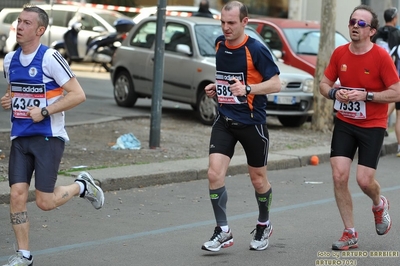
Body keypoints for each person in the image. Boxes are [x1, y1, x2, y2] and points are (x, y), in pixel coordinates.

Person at [0, 4, 105, 266]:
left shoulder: (50, 58)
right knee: (17, 195)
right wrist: (9, 99)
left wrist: (45, 111)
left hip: (48, 137)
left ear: (40, 30)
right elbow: (14, 93)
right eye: (18, 22)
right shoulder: (10, 59)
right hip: (20, 137)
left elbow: (78, 94)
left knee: (44, 202)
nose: (19, 27)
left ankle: (83, 186)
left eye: (26, 23)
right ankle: (24, 255)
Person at [201, 1, 281, 252]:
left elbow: (277, 83)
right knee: (214, 174)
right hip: (224, 120)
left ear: (245, 22)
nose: (225, 28)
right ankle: (223, 231)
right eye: (223, 22)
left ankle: (264, 223)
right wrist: (217, 89)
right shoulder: (219, 44)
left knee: (258, 181)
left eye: (231, 23)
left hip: (252, 124)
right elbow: (227, 80)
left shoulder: (256, 49)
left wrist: (249, 89)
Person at [320, 5, 400, 251]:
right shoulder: (340, 53)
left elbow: (396, 91)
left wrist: (366, 96)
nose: (355, 25)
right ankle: (350, 232)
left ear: (372, 31)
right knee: (338, 175)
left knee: (364, 181)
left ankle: (379, 203)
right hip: (345, 122)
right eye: (353, 21)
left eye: (361, 23)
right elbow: (324, 84)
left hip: (372, 124)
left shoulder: (380, 57)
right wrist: (335, 92)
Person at [371, 7, 400, 154]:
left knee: (385, 102)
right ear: (394, 18)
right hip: (393, 74)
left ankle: (378, 127)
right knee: (395, 106)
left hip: (376, 73)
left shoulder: (377, 33)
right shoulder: (398, 34)